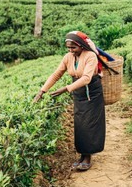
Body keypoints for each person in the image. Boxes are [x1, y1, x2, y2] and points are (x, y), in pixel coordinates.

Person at [33, 31, 106, 172]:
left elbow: (86, 78)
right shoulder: (68, 57)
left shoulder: (90, 56)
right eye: (68, 48)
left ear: (81, 46)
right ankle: (82, 155)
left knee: (89, 123)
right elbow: (57, 74)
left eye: (73, 47)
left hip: (92, 92)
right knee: (80, 123)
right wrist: (42, 91)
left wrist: (66, 89)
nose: (70, 50)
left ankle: (87, 157)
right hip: (78, 92)